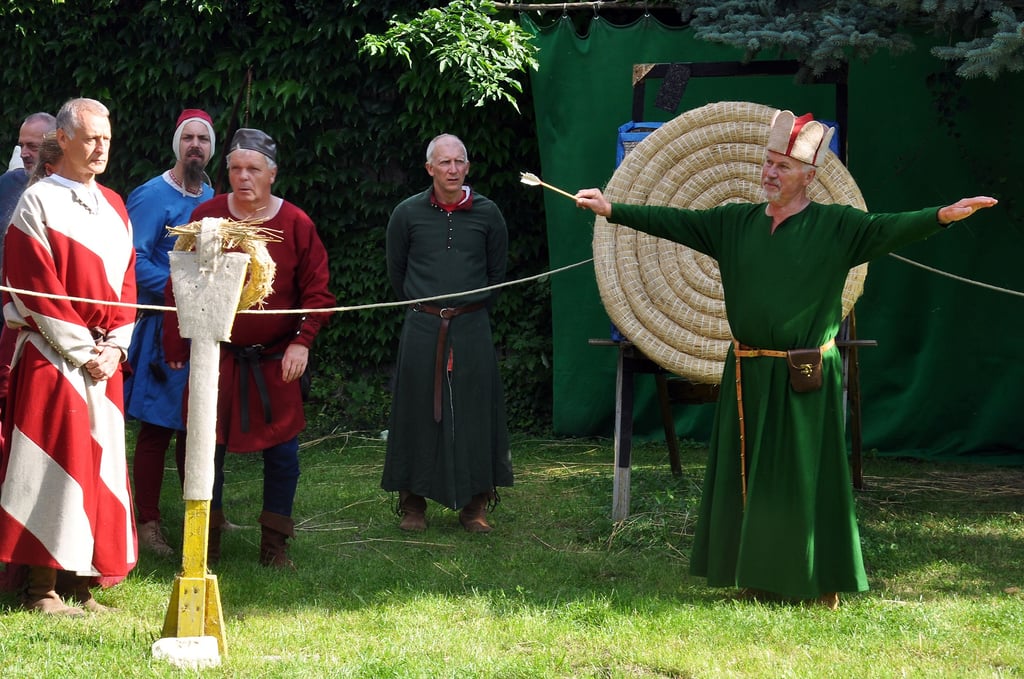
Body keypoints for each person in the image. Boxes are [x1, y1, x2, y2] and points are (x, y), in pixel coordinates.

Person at [574, 110, 998, 609]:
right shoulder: (733, 222)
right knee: (750, 475)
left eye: (783, 166)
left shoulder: (837, 226)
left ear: (809, 177)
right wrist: (611, 209)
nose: (770, 173)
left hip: (804, 373)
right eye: (768, 162)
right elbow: (674, 222)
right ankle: (755, 574)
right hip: (748, 370)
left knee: (805, 476)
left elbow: (890, 228)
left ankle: (820, 580)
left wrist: (942, 216)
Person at [164, 127, 334, 568]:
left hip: (275, 358)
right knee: (203, 447)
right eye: (236, 168)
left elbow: (318, 293)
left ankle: (275, 545)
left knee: (283, 454)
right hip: (215, 357)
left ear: (272, 174)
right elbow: (179, 284)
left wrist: (302, 343)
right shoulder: (208, 218)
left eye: (253, 169)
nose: (244, 176)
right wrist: (176, 344)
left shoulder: (296, 223)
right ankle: (206, 540)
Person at [0, 98, 137, 615]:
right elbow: (35, 288)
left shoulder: (115, 204)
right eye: (91, 138)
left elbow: (127, 284)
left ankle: (80, 584)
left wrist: (116, 345)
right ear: (64, 139)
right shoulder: (36, 203)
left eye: (107, 138)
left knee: (96, 465)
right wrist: (84, 350)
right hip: (52, 356)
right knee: (49, 464)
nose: (101, 148)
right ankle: (41, 589)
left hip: (102, 359)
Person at [380, 133, 513, 533]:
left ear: (467, 167)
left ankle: (474, 506)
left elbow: (497, 273)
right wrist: (429, 310)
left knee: (476, 411)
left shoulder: (489, 214)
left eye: (459, 162)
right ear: (430, 169)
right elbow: (397, 272)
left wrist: (466, 311)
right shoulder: (407, 213)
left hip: (472, 326)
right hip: (423, 325)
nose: (452, 169)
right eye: (444, 162)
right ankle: (413, 506)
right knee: (416, 411)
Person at [124, 109, 216, 557]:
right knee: (158, 428)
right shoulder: (150, 196)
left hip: (204, 327)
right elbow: (132, 259)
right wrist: (179, 289)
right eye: (188, 138)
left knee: (198, 424)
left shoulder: (213, 196)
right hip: (164, 326)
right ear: (177, 143)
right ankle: (147, 522)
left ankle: (201, 515)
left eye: (203, 139)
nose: (195, 145)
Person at [0, 112, 58, 258]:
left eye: (32, 146)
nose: (23, 154)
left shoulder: (69, 189)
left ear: (54, 146)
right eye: (21, 145)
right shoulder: (8, 183)